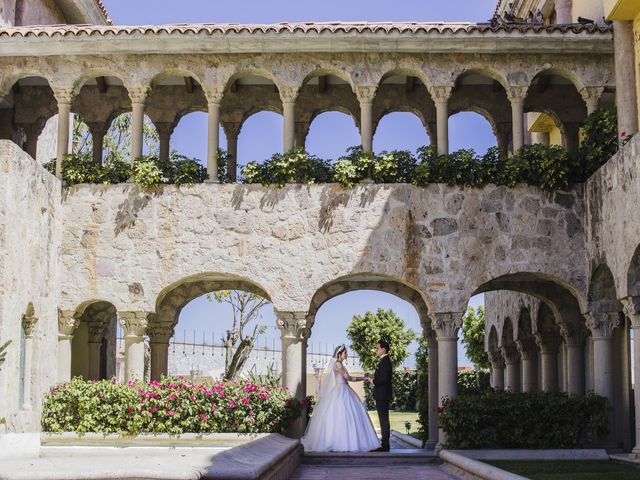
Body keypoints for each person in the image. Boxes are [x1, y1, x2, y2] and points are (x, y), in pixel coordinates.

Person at [301, 344, 381, 452]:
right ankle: (341, 442)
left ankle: (351, 441)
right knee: (342, 415)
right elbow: (348, 378)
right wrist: (365, 378)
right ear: (339, 354)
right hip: (341, 390)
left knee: (350, 415)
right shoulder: (338, 365)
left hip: (344, 389)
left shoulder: (340, 364)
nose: (346, 354)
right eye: (345, 353)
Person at [367, 340, 392, 452]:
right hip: (381, 395)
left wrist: (373, 381)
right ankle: (384, 444)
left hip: (383, 395)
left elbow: (383, 379)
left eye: (377, 348)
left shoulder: (385, 361)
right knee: (383, 419)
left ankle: (385, 445)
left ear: (383, 349)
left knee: (384, 420)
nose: (376, 350)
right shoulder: (383, 361)